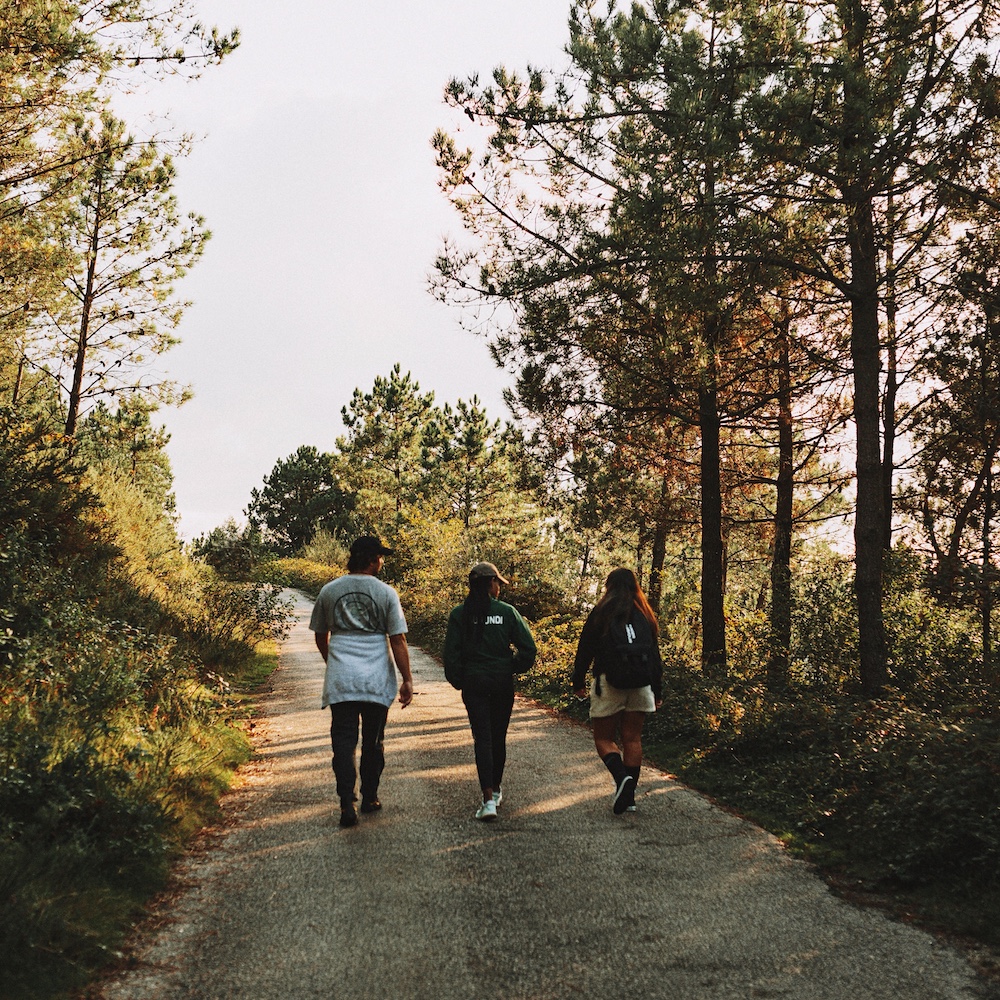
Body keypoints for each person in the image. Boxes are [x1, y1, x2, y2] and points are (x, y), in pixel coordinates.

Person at [310, 534, 414, 828]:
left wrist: (333, 662)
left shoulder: (330, 591)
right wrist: (407, 680)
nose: (382, 562)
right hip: (375, 678)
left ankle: (346, 802)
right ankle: (369, 797)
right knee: (373, 741)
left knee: (343, 742)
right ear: (371, 560)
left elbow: (320, 635)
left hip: (342, 677)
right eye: (380, 557)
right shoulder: (386, 593)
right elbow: (398, 639)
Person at [443, 562, 536, 821]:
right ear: (490, 583)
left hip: (474, 684)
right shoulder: (507, 613)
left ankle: (487, 800)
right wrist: (510, 667)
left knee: (482, 738)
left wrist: (460, 680)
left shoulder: (459, 614)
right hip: (501, 683)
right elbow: (528, 649)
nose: (499, 589)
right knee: (498, 737)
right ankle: (495, 791)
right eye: (498, 583)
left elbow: (451, 655)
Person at [572, 568, 663, 814]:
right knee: (632, 739)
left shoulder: (602, 612)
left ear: (608, 586)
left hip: (609, 683)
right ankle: (629, 797)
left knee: (604, 738)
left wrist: (577, 681)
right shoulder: (646, 614)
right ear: (635, 586)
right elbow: (654, 656)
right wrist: (658, 690)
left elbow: (585, 649)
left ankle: (621, 779)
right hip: (642, 684)